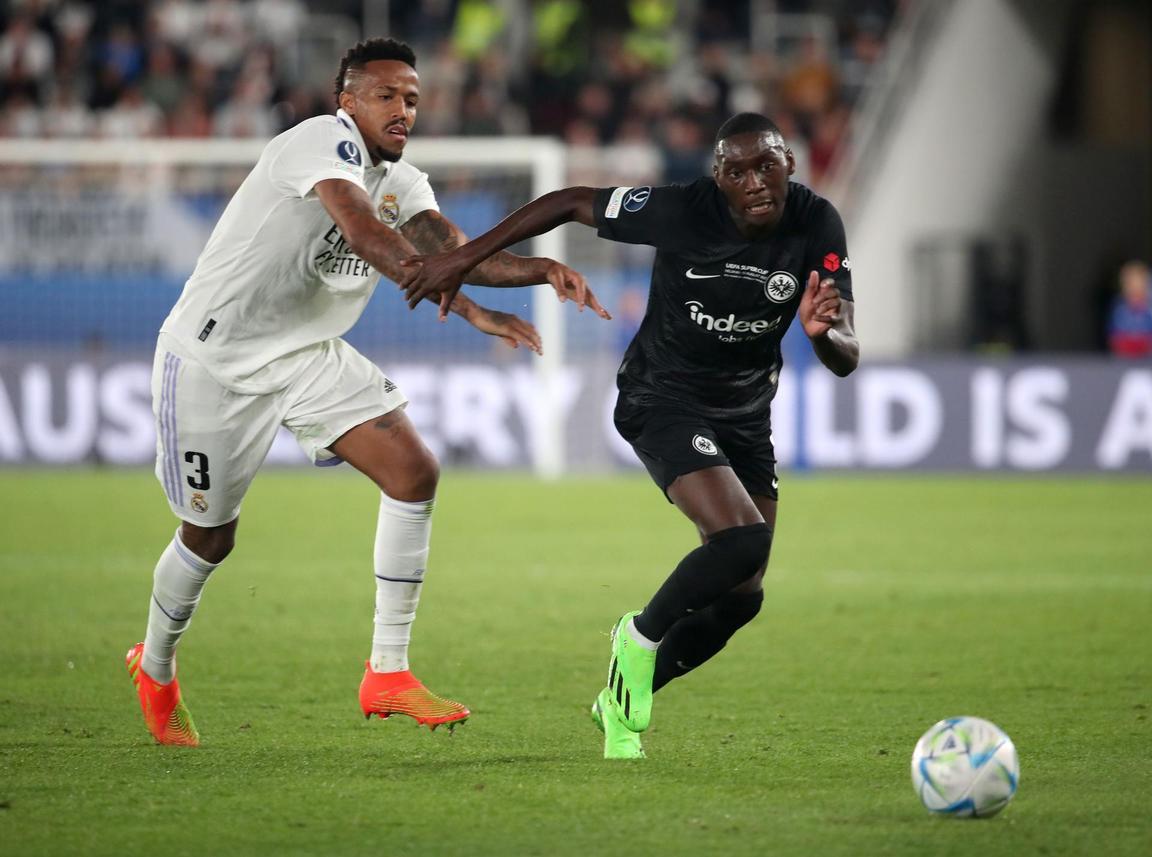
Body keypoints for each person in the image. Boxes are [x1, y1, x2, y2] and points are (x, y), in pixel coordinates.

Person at [127, 38, 608, 747]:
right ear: (346, 99)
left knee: (415, 470)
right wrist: (427, 274)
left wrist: (530, 275)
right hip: (213, 360)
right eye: (385, 94)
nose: (402, 108)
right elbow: (360, 228)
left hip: (304, 354)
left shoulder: (405, 182)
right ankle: (156, 667)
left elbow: (450, 249)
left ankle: (387, 670)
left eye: (411, 97)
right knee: (210, 536)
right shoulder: (319, 142)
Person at [403, 112, 859, 758]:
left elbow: (846, 350)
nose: (756, 181)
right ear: (718, 178)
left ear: (790, 164)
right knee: (742, 536)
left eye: (769, 165)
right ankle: (637, 636)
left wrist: (824, 336)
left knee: (742, 596)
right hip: (661, 396)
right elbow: (567, 202)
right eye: (738, 169)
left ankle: (620, 696)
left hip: (746, 415)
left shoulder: (817, 224)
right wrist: (460, 256)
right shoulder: (680, 211)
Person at [1108, 261, 1152, 358]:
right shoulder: (1119, 308)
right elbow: (1113, 336)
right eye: (1129, 283)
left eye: (1138, 282)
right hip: (1123, 359)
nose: (1134, 287)